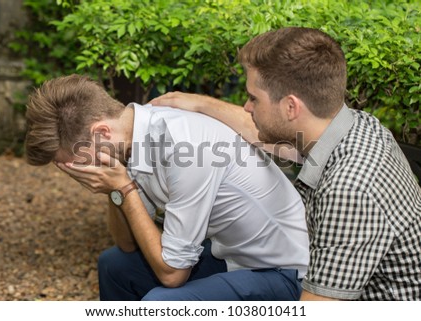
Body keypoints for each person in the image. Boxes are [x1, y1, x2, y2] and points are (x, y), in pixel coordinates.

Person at [150, 27, 421, 301]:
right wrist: (197, 104)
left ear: (291, 107)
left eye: (253, 98)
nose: (246, 107)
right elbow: (263, 129)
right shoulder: (356, 126)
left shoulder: (350, 190)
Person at [24, 74, 310, 301]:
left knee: (161, 305)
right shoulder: (134, 134)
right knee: (114, 266)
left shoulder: (181, 145)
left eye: (76, 162)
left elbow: (173, 275)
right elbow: (127, 244)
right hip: (233, 256)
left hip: (285, 272)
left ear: (101, 133)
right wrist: (112, 188)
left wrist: (124, 188)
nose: (79, 171)